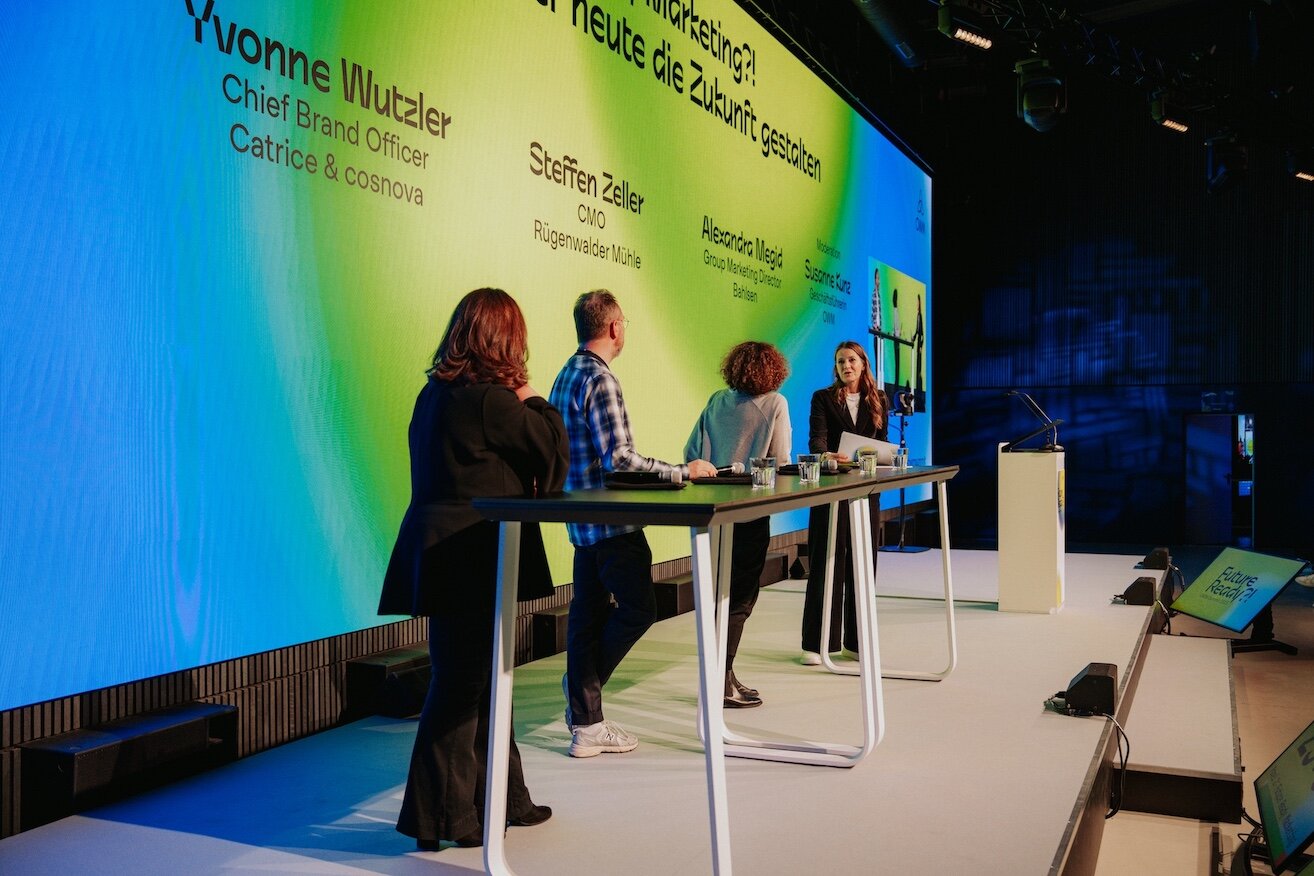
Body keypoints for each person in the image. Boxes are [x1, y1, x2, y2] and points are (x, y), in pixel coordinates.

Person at [378, 288, 567, 850]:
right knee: (464, 686)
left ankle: (504, 801)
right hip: (474, 555)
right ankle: (439, 820)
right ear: (504, 339)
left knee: (477, 679)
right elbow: (553, 453)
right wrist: (532, 394)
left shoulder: (433, 395)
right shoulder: (491, 401)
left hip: (440, 556)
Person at [549, 290, 717, 757]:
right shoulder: (600, 379)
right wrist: (683, 472)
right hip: (613, 525)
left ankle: (586, 716)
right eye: (624, 321)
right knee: (639, 609)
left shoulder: (566, 373)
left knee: (585, 617)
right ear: (613, 327)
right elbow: (620, 460)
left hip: (582, 524)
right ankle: (582, 694)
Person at [684, 341, 792, 708]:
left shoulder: (717, 400)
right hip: (749, 512)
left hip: (713, 511)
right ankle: (720, 682)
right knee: (740, 598)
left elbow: (691, 454)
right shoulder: (776, 403)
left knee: (717, 596)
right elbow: (780, 461)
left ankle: (723, 675)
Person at [800, 340, 890, 664]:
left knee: (862, 565)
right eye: (840, 361)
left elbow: (881, 444)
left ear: (863, 364)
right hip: (831, 488)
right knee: (825, 563)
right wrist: (825, 454)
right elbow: (816, 439)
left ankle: (856, 642)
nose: (846, 366)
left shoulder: (879, 399)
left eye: (851, 360)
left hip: (866, 489)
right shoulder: (822, 398)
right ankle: (817, 645)